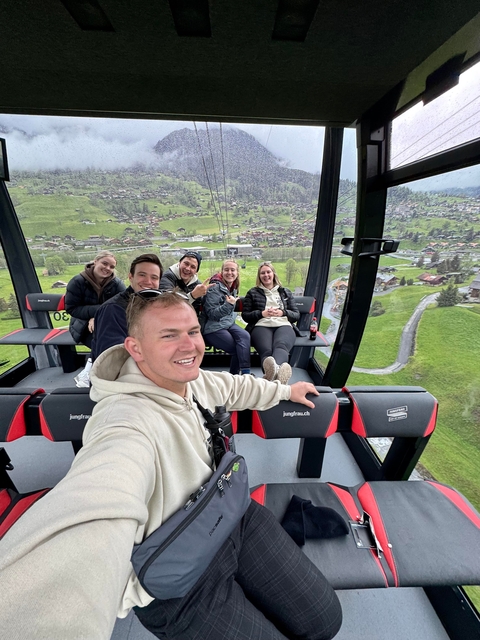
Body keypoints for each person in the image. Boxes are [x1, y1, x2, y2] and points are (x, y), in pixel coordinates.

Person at [0, 291, 342, 640]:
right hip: (177, 579)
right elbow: (97, 502)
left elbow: (232, 386)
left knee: (324, 621)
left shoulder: (190, 380)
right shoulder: (124, 421)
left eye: (193, 331)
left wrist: (283, 393)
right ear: (135, 348)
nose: (189, 346)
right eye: (168, 335)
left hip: (229, 514)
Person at [65, 250, 126, 387]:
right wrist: (96, 315)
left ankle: (96, 372)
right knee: (100, 341)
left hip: (107, 323)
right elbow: (72, 308)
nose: (107, 269)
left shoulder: (116, 284)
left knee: (114, 340)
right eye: (104, 263)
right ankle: (91, 373)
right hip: (82, 326)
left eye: (112, 267)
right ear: (95, 261)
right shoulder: (77, 282)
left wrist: (98, 317)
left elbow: (124, 304)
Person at [91, 252, 163, 360]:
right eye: (142, 275)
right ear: (131, 277)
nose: (148, 281)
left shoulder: (158, 305)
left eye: (154, 277)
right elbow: (112, 359)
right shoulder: (113, 310)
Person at [242, 262, 300, 384]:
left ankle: (274, 375)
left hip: (283, 324)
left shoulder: (285, 292)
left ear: (273, 274)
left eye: (268, 272)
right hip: (261, 325)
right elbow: (246, 316)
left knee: (281, 346)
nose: (266, 275)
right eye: (262, 273)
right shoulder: (252, 293)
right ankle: (276, 377)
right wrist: (261, 314)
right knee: (267, 350)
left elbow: (296, 314)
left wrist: (282, 312)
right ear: (259, 276)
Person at [203, 259, 252, 375]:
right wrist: (229, 305)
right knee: (237, 348)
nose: (230, 273)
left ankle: (246, 374)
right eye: (226, 270)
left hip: (228, 324)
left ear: (237, 272)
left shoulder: (232, 286)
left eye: (232, 270)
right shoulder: (215, 287)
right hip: (214, 328)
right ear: (222, 272)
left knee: (245, 336)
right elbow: (212, 314)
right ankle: (235, 376)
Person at [159, 250, 213, 316]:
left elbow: (196, 311)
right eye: (186, 263)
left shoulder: (197, 285)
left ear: (196, 272)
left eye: (193, 267)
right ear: (179, 263)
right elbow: (168, 305)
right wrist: (192, 296)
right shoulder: (167, 277)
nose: (187, 268)